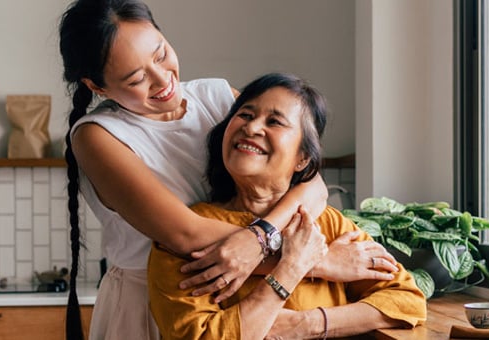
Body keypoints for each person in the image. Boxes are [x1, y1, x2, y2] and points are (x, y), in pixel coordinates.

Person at [58, 1, 399, 339]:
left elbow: (312, 186)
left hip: (242, 291)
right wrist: (313, 262)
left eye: (161, 54)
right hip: (152, 304)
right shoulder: (97, 136)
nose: (162, 79)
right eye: (136, 78)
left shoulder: (217, 97)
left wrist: (260, 238)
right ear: (97, 86)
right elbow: (185, 235)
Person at [148, 73, 428, 340]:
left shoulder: (327, 224)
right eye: (245, 114)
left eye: (275, 122)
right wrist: (291, 267)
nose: (252, 127)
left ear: (303, 158)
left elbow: (407, 300)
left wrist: (308, 323)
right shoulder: (184, 236)